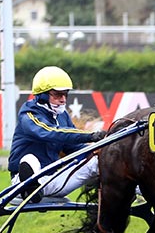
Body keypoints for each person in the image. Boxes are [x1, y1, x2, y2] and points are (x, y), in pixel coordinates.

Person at [7, 66, 107, 202]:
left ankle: (138, 189)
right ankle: (30, 188)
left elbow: (73, 148)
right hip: (20, 184)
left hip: (53, 180)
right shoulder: (28, 116)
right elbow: (51, 132)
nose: (63, 100)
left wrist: (100, 150)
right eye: (57, 95)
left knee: (98, 160)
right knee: (30, 159)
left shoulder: (62, 116)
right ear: (42, 95)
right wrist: (90, 136)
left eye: (65, 94)